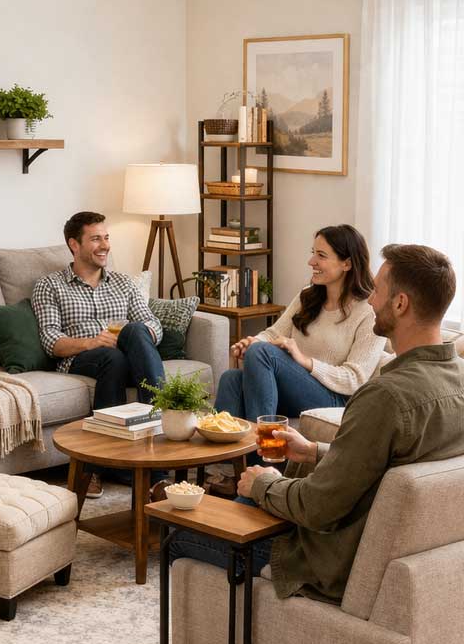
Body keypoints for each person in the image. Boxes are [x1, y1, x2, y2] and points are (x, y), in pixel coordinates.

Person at [173, 242, 464, 605]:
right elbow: (388, 473)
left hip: (326, 559)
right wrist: (313, 450)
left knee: (179, 534)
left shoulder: (385, 398)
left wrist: (264, 483)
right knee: (243, 498)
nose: (371, 300)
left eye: (378, 291)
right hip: (392, 555)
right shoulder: (458, 381)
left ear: (401, 303)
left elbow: (317, 508)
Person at [214, 225, 386, 468]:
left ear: (347, 263)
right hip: (297, 392)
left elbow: (355, 379)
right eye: (312, 252)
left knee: (262, 354)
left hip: (336, 399)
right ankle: (226, 472)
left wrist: (304, 361)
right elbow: (274, 334)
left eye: (321, 256)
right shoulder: (308, 296)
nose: (311, 261)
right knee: (231, 378)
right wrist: (252, 343)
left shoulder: (368, 311)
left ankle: (264, 468)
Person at [32, 211, 166, 496]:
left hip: (127, 355)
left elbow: (152, 323)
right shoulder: (50, 285)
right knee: (111, 357)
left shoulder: (123, 283)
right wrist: (92, 342)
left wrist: (136, 338)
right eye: (95, 239)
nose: (105, 245)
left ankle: (151, 455)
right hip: (81, 358)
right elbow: (50, 340)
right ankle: (100, 466)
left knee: (134, 331)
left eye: (106, 237)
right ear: (74, 245)